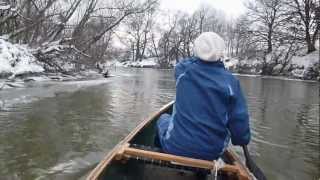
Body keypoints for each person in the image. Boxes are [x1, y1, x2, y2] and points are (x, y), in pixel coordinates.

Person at [155, 32, 251, 161]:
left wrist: (199, 56)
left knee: (163, 118)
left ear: (197, 50)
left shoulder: (183, 71)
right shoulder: (231, 82)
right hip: (212, 153)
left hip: (174, 146)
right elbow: (239, 120)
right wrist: (242, 139)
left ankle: (161, 154)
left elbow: (184, 63)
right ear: (220, 52)